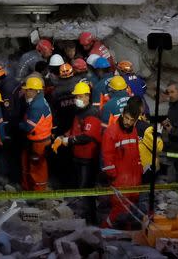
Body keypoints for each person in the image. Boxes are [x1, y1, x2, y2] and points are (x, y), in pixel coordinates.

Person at [54, 81, 102, 223]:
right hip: (78, 156)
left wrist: (68, 141)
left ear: (87, 96)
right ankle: (84, 214)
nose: (77, 100)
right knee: (80, 186)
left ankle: (90, 219)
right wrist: (63, 136)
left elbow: (87, 136)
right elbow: (75, 129)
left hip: (88, 157)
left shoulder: (92, 113)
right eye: (76, 97)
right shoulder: (79, 112)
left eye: (80, 97)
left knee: (86, 189)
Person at [101, 97, 143, 229]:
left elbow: (136, 153)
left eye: (131, 120)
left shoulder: (133, 130)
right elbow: (107, 156)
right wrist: (112, 175)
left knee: (131, 208)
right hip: (120, 179)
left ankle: (127, 233)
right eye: (126, 118)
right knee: (119, 209)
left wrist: (140, 170)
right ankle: (103, 230)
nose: (128, 122)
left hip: (133, 178)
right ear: (123, 114)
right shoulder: (111, 132)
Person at [19, 75, 53, 191]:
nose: (26, 92)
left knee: (37, 168)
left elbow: (28, 127)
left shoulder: (36, 106)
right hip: (39, 140)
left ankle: (38, 192)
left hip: (39, 142)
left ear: (36, 91)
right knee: (33, 166)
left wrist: (18, 124)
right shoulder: (40, 100)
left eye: (29, 90)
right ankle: (30, 188)